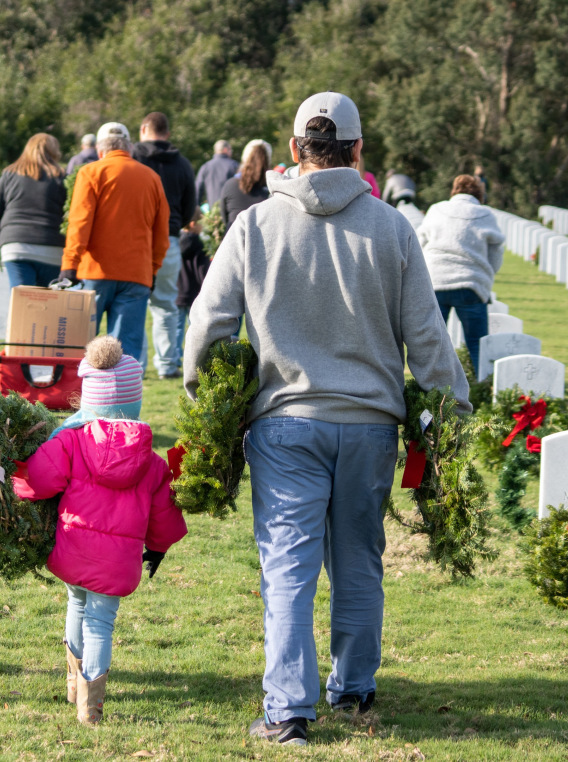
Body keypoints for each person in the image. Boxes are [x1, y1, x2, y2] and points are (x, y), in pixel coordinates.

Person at [182, 92, 470, 746]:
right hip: (370, 423)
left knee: (287, 567)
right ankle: (355, 689)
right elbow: (427, 336)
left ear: (293, 150)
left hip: (285, 421)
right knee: (359, 561)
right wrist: (451, 413)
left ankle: (288, 711)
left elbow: (206, 323)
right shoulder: (392, 228)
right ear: (358, 150)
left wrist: (206, 399)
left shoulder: (255, 225)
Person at [12, 335, 188, 725]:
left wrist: (12, 475)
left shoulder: (70, 441)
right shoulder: (153, 462)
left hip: (72, 550)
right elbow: (164, 516)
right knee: (100, 623)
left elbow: (36, 481)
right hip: (117, 563)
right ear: (133, 400)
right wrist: (158, 547)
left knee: (76, 603)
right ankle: (89, 708)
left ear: (90, 398)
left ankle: (73, 685)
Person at [60, 122, 169, 363]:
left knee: (81, 347)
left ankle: (81, 388)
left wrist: (70, 264)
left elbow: (80, 223)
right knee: (125, 354)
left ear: (100, 150)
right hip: (136, 274)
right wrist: (152, 269)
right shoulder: (152, 178)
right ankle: (123, 389)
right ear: (129, 148)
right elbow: (162, 233)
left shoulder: (90, 172)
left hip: (94, 272)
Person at [417, 174, 506, 374]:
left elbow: (420, 243)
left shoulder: (436, 209)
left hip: (436, 281)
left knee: (434, 343)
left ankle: (431, 386)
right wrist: (486, 274)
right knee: (476, 343)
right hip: (471, 284)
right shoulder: (485, 214)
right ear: (479, 194)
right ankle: (481, 386)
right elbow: (496, 252)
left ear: (454, 191)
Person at [132, 111, 196, 379]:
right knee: (166, 305)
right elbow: (190, 206)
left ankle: (135, 365)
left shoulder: (134, 157)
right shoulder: (182, 164)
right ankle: (167, 364)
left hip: (137, 236)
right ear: (167, 133)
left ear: (143, 129)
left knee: (134, 303)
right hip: (169, 237)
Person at [0, 133, 67, 288]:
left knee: (21, 298)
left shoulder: (10, 174)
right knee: (48, 300)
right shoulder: (62, 177)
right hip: (52, 248)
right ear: (54, 151)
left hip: (15, 246)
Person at [219, 140, 272, 232]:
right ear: (268, 160)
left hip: (235, 238)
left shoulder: (230, 185)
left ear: (244, 159)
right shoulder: (272, 189)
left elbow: (225, 218)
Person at [175, 209, 209, 347]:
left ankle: (173, 357)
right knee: (195, 329)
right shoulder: (200, 245)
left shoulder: (175, 243)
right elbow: (203, 270)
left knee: (176, 330)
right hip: (195, 293)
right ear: (193, 224)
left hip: (177, 292)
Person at [195, 139, 240, 208]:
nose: (231, 152)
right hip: (231, 207)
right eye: (230, 150)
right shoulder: (234, 165)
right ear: (225, 149)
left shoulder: (205, 167)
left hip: (212, 209)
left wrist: (197, 206)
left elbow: (198, 189)